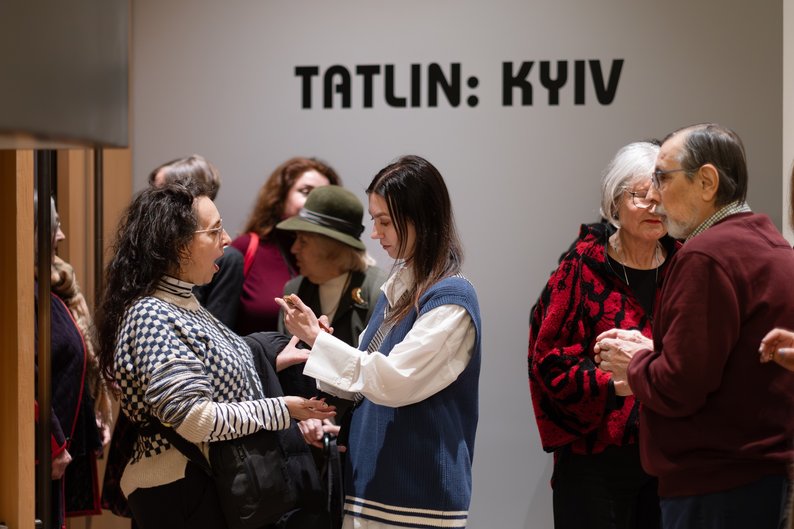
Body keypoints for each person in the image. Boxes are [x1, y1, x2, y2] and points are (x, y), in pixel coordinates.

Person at [95, 182, 336, 529]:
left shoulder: (182, 302)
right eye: (214, 231)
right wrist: (283, 409)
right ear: (179, 245)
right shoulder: (152, 313)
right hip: (183, 490)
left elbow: (205, 370)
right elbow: (195, 419)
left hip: (200, 485)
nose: (227, 240)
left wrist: (273, 359)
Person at [595, 123, 794, 529]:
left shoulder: (705, 256)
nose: (653, 195)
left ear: (706, 182)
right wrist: (656, 353)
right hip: (760, 479)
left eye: (662, 178)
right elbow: (728, 362)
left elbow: (680, 386)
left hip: (714, 488)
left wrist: (636, 363)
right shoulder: (773, 245)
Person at [276, 155, 482, 529]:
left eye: (384, 221)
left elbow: (394, 380)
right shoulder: (398, 289)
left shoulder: (451, 297)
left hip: (417, 497)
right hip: (374, 487)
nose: (375, 234)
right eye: (374, 221)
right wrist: (321, 350)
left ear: (420, 218)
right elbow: (365, 380)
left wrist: (317, 341)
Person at [528, 141, 674, 529]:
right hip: (595, 462)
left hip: (669, 458)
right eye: (641, 196)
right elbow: (548, 362)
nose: (654, 206)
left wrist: (650, 364)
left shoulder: (686, 265)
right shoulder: (581, 268)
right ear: (615, 202)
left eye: (662, 195)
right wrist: (612, 386)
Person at [35, 191, 109, 529]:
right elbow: (28, 380)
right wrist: (51, 444)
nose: (62, 236)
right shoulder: (22, 292)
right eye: (55, 227)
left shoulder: (53, 283)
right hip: (37, 454)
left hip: (53, 456)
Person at [275, 185, 387, 404]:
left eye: (303, 241)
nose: (294, 248)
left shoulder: (379, 292)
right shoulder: (294, 291)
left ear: (333, 247)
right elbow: (285, 366)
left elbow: (378, 377)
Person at [231, 157, 341, 334]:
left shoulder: (337, 260)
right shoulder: (246, 248)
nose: (315, 203)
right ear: (281, 197)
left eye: (323, 196)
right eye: (306, 192)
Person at [149, 154, 243, 327]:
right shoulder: (148, 310)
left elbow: (217, 334)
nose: (151, 200)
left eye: (161, 190)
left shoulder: (226, 259)